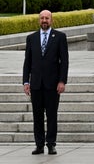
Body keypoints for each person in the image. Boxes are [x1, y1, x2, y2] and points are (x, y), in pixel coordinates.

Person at [22, 9, 69, 155]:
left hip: (52, 84)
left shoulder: (60, 37)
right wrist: (25, 82)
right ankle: (39, 145)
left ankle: (51, 144)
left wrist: (62, 81)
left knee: (51, 115)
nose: (44, 20)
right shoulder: (32, 38)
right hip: (36, 84)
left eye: (47, 18)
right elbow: (27, 62)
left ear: (51, 20)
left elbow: (64, 62)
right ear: (39, 20)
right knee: (37, 116)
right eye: (42, 18)